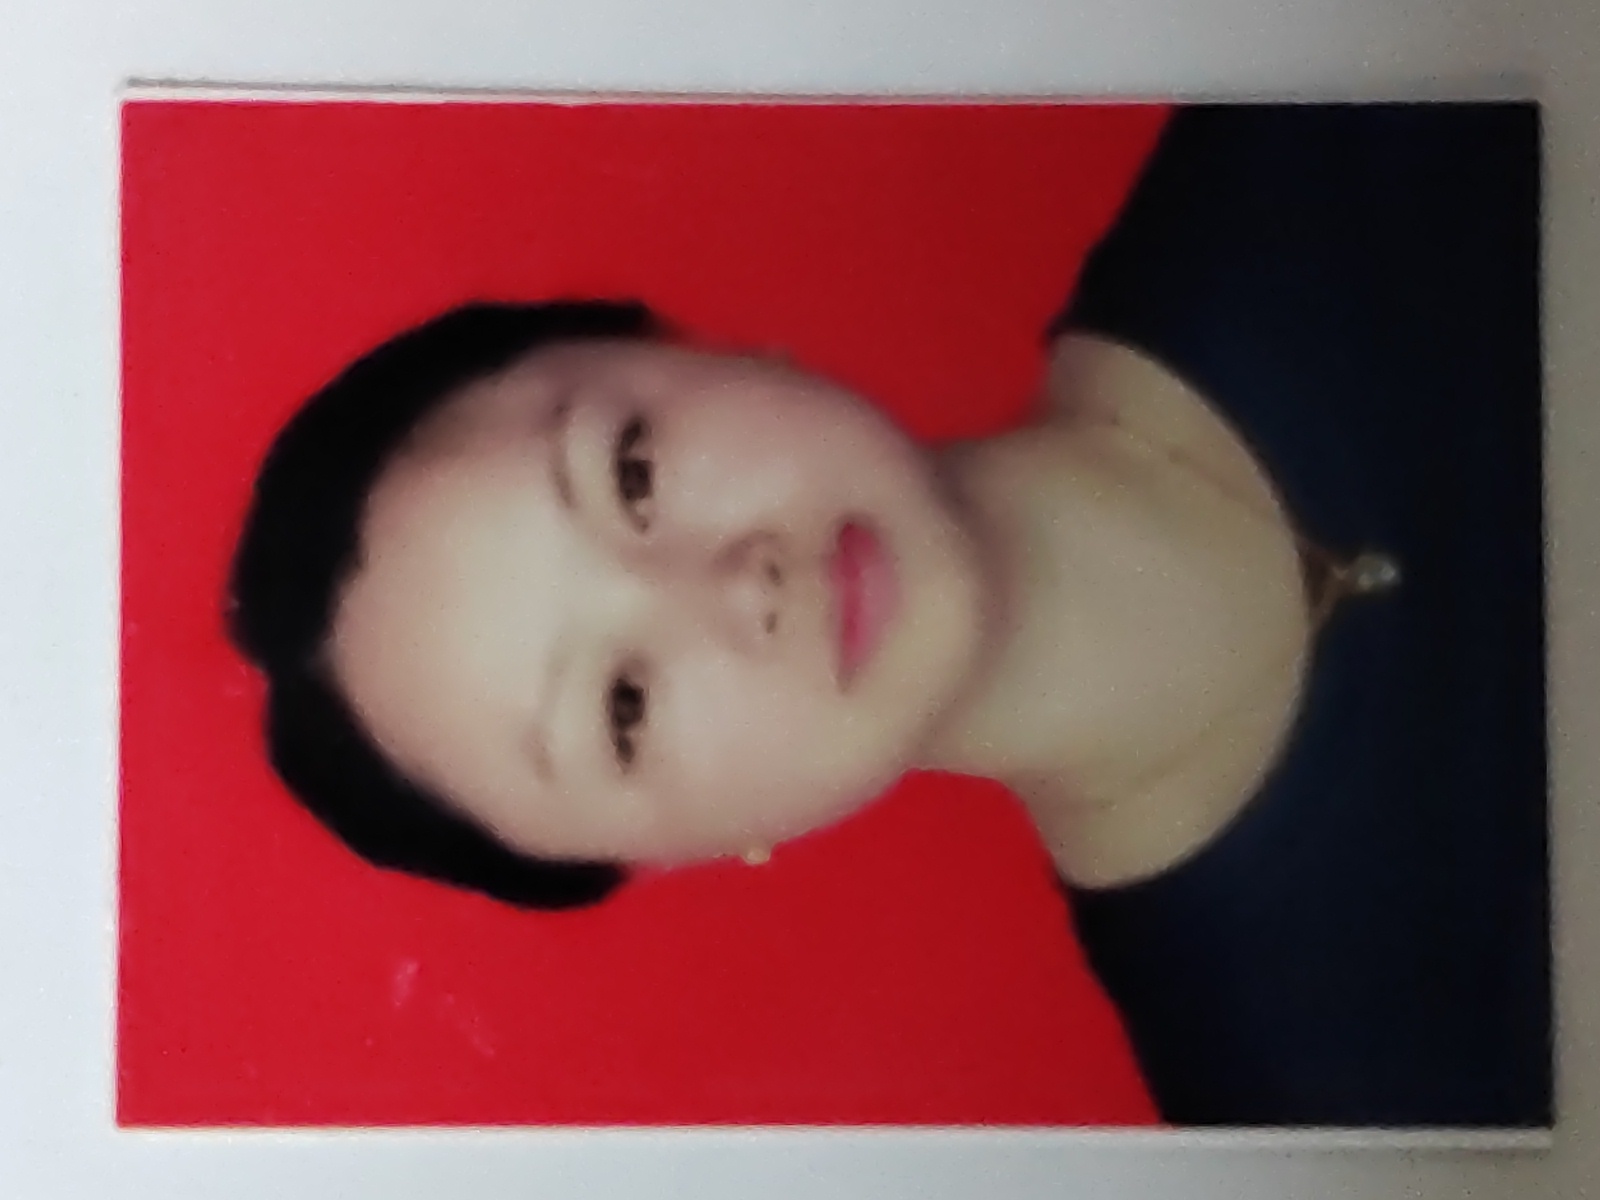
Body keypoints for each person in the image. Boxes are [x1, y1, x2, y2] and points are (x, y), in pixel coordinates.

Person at [227, 103, 1549, 1127]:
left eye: (631, 470)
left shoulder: (1341, 124)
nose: (734, 583)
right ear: (696, 852)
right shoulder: (1325, 1107)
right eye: (624, 707)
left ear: (695, 351)